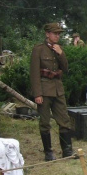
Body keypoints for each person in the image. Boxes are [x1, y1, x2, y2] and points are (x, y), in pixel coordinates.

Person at [30, 23, 76, 161]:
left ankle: (67, 150)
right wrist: (37, 93)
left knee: (64, 120)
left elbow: (66, 69)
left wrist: (61, 54)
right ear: (47, 34)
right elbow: (34, 74)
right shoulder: (38, 49)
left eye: (59, 34)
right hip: (44, 90)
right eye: (55, 33)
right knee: (44, 122)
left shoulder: (58, 49)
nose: (57, 36)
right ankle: (48, 152)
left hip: (58, 89)